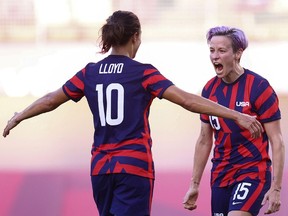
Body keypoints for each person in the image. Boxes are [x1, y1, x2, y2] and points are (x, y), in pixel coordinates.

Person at [3, 12, 263, 216]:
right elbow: (187, 100)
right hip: (134, 168)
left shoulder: (89, 72)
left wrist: (20, 115)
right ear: (135, 37)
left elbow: (51, 100)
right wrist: (235, 114)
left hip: (101, 170)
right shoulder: (142, 72)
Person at [183, 26, 285, 216]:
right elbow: (205, 140)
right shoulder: (208, 91)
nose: (215, 56)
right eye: (212, 50)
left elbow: (277, 140)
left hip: (252, 172)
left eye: (222, 51)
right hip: (220, 176)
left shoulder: (259, 87)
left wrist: (276, 188)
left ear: (238, 53)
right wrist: (194, 184)